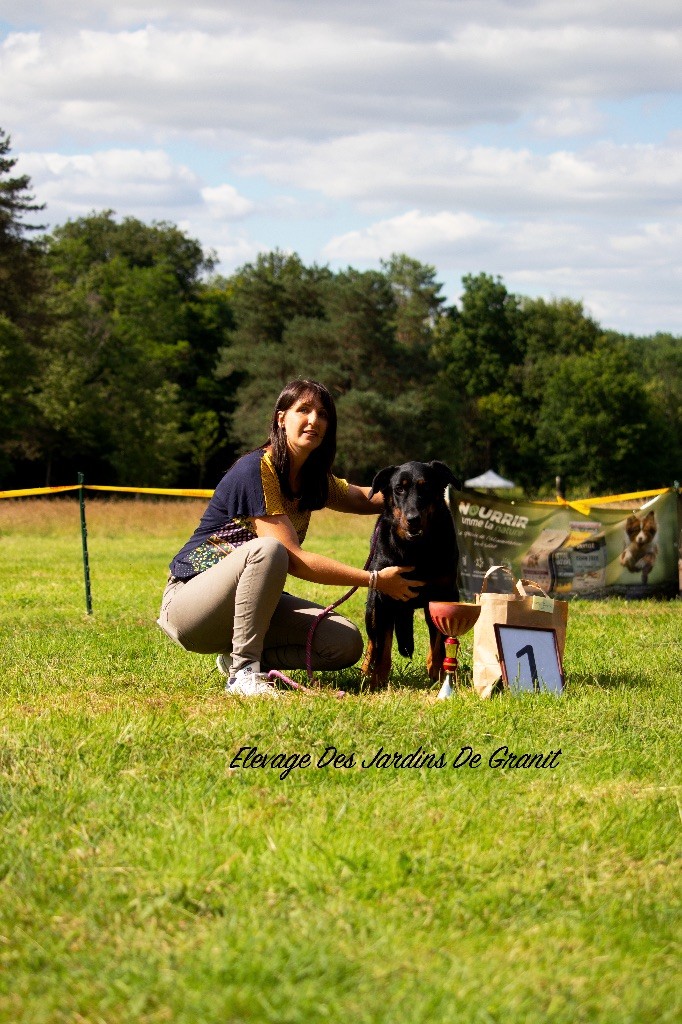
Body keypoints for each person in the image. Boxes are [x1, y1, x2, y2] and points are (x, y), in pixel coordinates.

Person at [157, 378, 422, 696]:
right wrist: (376, 579)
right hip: (189, 608)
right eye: (304, 410)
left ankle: (239, 659)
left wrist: (425, 492)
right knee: (268, 550)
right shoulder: (254, 469)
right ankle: (244, 674)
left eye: (323, 414)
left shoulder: (314, 479)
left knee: (343, 643)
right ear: (281, 418)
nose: (314, 420)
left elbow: (366, 499)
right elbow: (293, 558)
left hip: (245, 610)